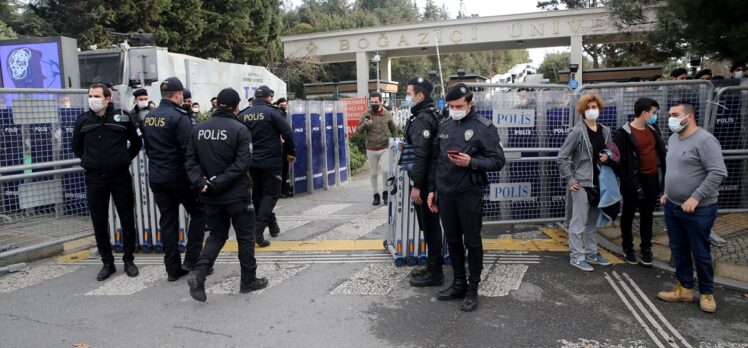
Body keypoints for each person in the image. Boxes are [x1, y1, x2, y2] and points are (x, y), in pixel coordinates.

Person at [427, 83, 505, 312]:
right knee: (451, 240)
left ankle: (472, 289)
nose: (455, 109)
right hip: (445, 192)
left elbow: (498, 161)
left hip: (469, 193)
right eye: (451, 106)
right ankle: (458, 283)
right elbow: (436, 161)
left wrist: (472, 162)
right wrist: (432, 189)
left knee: (472, 241)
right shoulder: (445, 125)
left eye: (459, 105)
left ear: (470, 103)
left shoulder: (484, 127)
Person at [185, 87, 268, 302]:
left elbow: (190, 162)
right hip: (236, 195)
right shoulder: (240, 129)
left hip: (209, 196)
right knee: (245, 237)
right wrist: (216, 183)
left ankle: (200, 272)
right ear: (236, 107)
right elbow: (242, 163)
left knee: (216, 235)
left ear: (216, 104)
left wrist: (201, 182)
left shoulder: (198, 130)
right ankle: (248, 280)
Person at [657, 102, 727, 313]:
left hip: (699, 209)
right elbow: (678, 168)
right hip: (673, 206)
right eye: (670, 115)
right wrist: (669, 193)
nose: (671, 119)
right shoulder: (673, 138)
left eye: (676, 115)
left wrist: (695, 197)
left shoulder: (705, 140)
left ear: (690, 116)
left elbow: (718, 172)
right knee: (678, 249)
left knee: (700, 251)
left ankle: (707, 293)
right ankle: (685, 288)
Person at [72, 83, 142, 280]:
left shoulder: (122, 117)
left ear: (107, 98)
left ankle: (129, 259)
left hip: (120, 176)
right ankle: (107, 262)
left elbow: (136, 143)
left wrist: (124, 158)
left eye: (96, 95)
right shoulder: (83, 120)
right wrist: (89, 161)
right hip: (95, 178)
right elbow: (76, 146)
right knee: (99, 221)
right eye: (90, 95)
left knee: (127, 218)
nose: (92, 99)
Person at [140, 77, 206, 281]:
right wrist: (197, 177)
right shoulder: (179, 117)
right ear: (178, 95)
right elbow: (189, 151)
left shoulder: (149, 116)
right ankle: (192, 260)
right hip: (179, 176)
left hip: (157, 176)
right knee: (198, 213)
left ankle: (172, 269)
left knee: (168, 221)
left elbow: (148, 149)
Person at [558, 94, 613, 272]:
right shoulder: (577, 131)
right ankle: (576, 256)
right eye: (588, 108)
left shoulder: (605, 130)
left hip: (599, 182)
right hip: (582, 183)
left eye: (594, 107)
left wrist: (608, 157)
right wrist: (570, 179)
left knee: (592, 223)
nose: (592, 111)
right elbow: (562, 157)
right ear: (582, 111)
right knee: (578, 223)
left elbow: (610, 151)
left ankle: (591, 252)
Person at [240, 86, 295, 247]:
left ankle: (272, 225)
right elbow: (288, 133)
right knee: (271, 194)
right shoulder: (273, 113)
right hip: (271, 162)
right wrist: (291, 153)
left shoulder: (243, 115)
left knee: (258, 196)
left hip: (251, 162)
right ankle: (257, 231)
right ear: (269, 98)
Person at [613, 97, 666, 266]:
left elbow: (659, 152)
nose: (655, 116)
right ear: (644, 113)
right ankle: (628, 248)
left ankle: (646, 248)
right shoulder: (622, 134)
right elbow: (617, 160)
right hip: (633, 182)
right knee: (628, 215)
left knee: (647, 216)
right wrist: (626, 179)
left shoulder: (653, 129)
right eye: (653, 113)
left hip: (652, 180)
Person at [402, 77, 443, 288]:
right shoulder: (426, 115)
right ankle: (432, 266)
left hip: (426, 182)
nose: (407, 97)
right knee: (430, 226)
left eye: (409, 93)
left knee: (430, 226)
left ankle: (435, 273)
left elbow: (422, 155)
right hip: (428, 180)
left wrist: (417, 185)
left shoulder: (422, 119)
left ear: (420, 95)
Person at [356, 91, 398, 205]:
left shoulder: (387, 114)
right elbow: (358, 131)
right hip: (371, 148)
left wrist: (396, 141)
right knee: (373, 174)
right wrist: (365, 124)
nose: (373, 104)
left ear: (381, 102)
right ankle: (376, 195)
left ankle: (385, 192)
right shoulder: (366, 114)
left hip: (385, 147)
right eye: (372, 102)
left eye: (376, 102)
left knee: (385, 171)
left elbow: (393, 129)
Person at [274, 98, 293, 198]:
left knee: (285, 170)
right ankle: (279, 191)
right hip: (278, 147)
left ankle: (284, 189)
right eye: (281, 105)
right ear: (277, 105)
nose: (283, 107)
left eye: (285, 105)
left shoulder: (287, 116)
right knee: (279, 171)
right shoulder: (276, 116)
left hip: (286, 146)